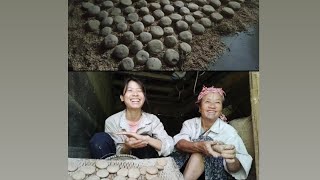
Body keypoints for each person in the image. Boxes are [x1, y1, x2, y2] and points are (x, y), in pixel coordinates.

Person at [172, 86, 252, 180]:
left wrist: (231, 160)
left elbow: (236, 168)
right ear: (199, 108)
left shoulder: (229, 131)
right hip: (184, 171)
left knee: (204, 146)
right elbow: (179, 144)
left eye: (217, 102)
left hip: (215, 176)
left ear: (221, 109)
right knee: (202, 144)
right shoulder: (190, 124)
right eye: (207, 101)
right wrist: (201, 146)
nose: (212, 106)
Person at [89, 77, 174, 159]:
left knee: (144, 141)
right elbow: (113, 152)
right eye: (130, 90)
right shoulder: (111, 121)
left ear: (144, 97)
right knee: (99, 139)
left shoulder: (153, 120)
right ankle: (106, 172)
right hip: (117, 165)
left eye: (139, 91)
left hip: (144, 164)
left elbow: (169, 147)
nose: (135, 94)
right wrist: (126, 147)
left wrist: (146, 139)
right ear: (122, 97)